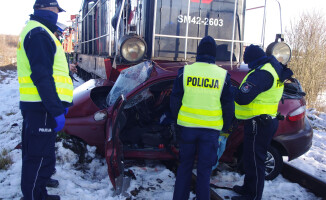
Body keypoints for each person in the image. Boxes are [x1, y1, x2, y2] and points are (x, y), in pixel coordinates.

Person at [16, 0, 73, 199]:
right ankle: (33, 195)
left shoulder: (39, 31)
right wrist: (56, 109)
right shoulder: (39, 34)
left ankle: (40, 186)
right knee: (37, 154)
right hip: (42, 106)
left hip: (41, 105)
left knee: (41, 150)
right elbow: (42, 76)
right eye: (57, 10)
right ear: (48, 9)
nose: (58, 15)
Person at [170, 35, 234, 200]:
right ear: (214, 54)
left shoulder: (185, 72)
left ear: (198, 52)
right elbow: (228, 105)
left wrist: (176, 121)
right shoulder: (223, 75)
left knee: (184, 167)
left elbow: (175, 100)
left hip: (187, 128)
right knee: (204, 172)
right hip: (210, 131)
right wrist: (226, 127)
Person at [232, 45, 293, 200]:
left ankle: (253, 196)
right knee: (250, 158)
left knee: (255, 160)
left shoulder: (262, 73)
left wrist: (230, 89)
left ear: (252, 60)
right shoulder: (271, 68)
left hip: (259, 123)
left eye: (248, 62)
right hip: (262, 121)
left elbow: (243, 97)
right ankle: (248, 188)